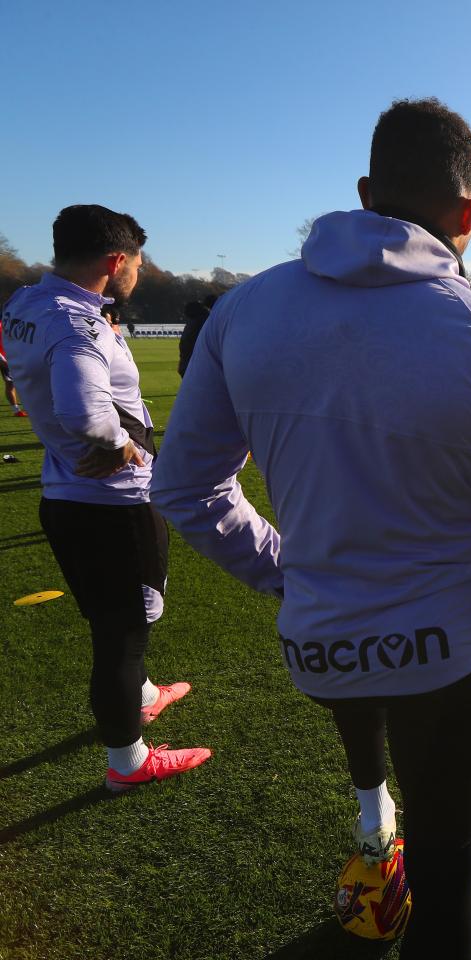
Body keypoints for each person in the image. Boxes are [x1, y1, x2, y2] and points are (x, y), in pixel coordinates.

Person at [150, 98, 471, 960]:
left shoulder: (246, 310)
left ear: (368, 191)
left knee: (377, 731)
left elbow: (185, 487)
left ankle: (374, 809)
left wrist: (285, 571)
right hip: (456, 657)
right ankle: (392, 826)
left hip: (324, 645)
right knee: (447, 882)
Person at [1, 204, 209, 791]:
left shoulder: (26, 304)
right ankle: (128, 761)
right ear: (116, 261)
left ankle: (141, 694)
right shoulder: (77, 323)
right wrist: (118, 443)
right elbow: (85, 412)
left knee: (110, 616)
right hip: (112, 503)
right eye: (137, 263)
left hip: (65, 495)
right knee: (122, 631)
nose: (138, 273)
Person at [177, 299, 212, 377]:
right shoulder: (204, 320)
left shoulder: (193, 322)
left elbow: (186, 344)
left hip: (189, 362)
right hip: (196, 362)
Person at [0, 319, 27, 416]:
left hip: (14, 357)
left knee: (22, 382)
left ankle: (25, 407)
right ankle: (16, 410)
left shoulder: (5, 324)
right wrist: (2, 360)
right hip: (6, 360)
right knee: (10, 384)